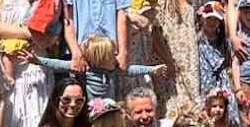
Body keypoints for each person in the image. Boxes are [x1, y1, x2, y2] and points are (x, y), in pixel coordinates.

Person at [28, 34, 164, 101]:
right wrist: (37, 60)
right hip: (92, 109)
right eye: (112, 54)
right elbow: (58, 65)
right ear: (100, 58)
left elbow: (131, 70)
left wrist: (151, 70)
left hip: (109, 107)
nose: (116, 57)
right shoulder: (87, 70)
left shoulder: (112, 69)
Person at [0, 0, 64, 80]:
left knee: (8, 48)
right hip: (37, 33)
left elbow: (40, 21)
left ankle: (8, 76)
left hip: (37, 33)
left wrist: (32, 32)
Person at [154, 0, 203, 115]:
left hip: (190, 58)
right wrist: (168, 59)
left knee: (191, 107)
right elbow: (155, 30)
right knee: (169, 107)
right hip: (166, 54)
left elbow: (197, 27)